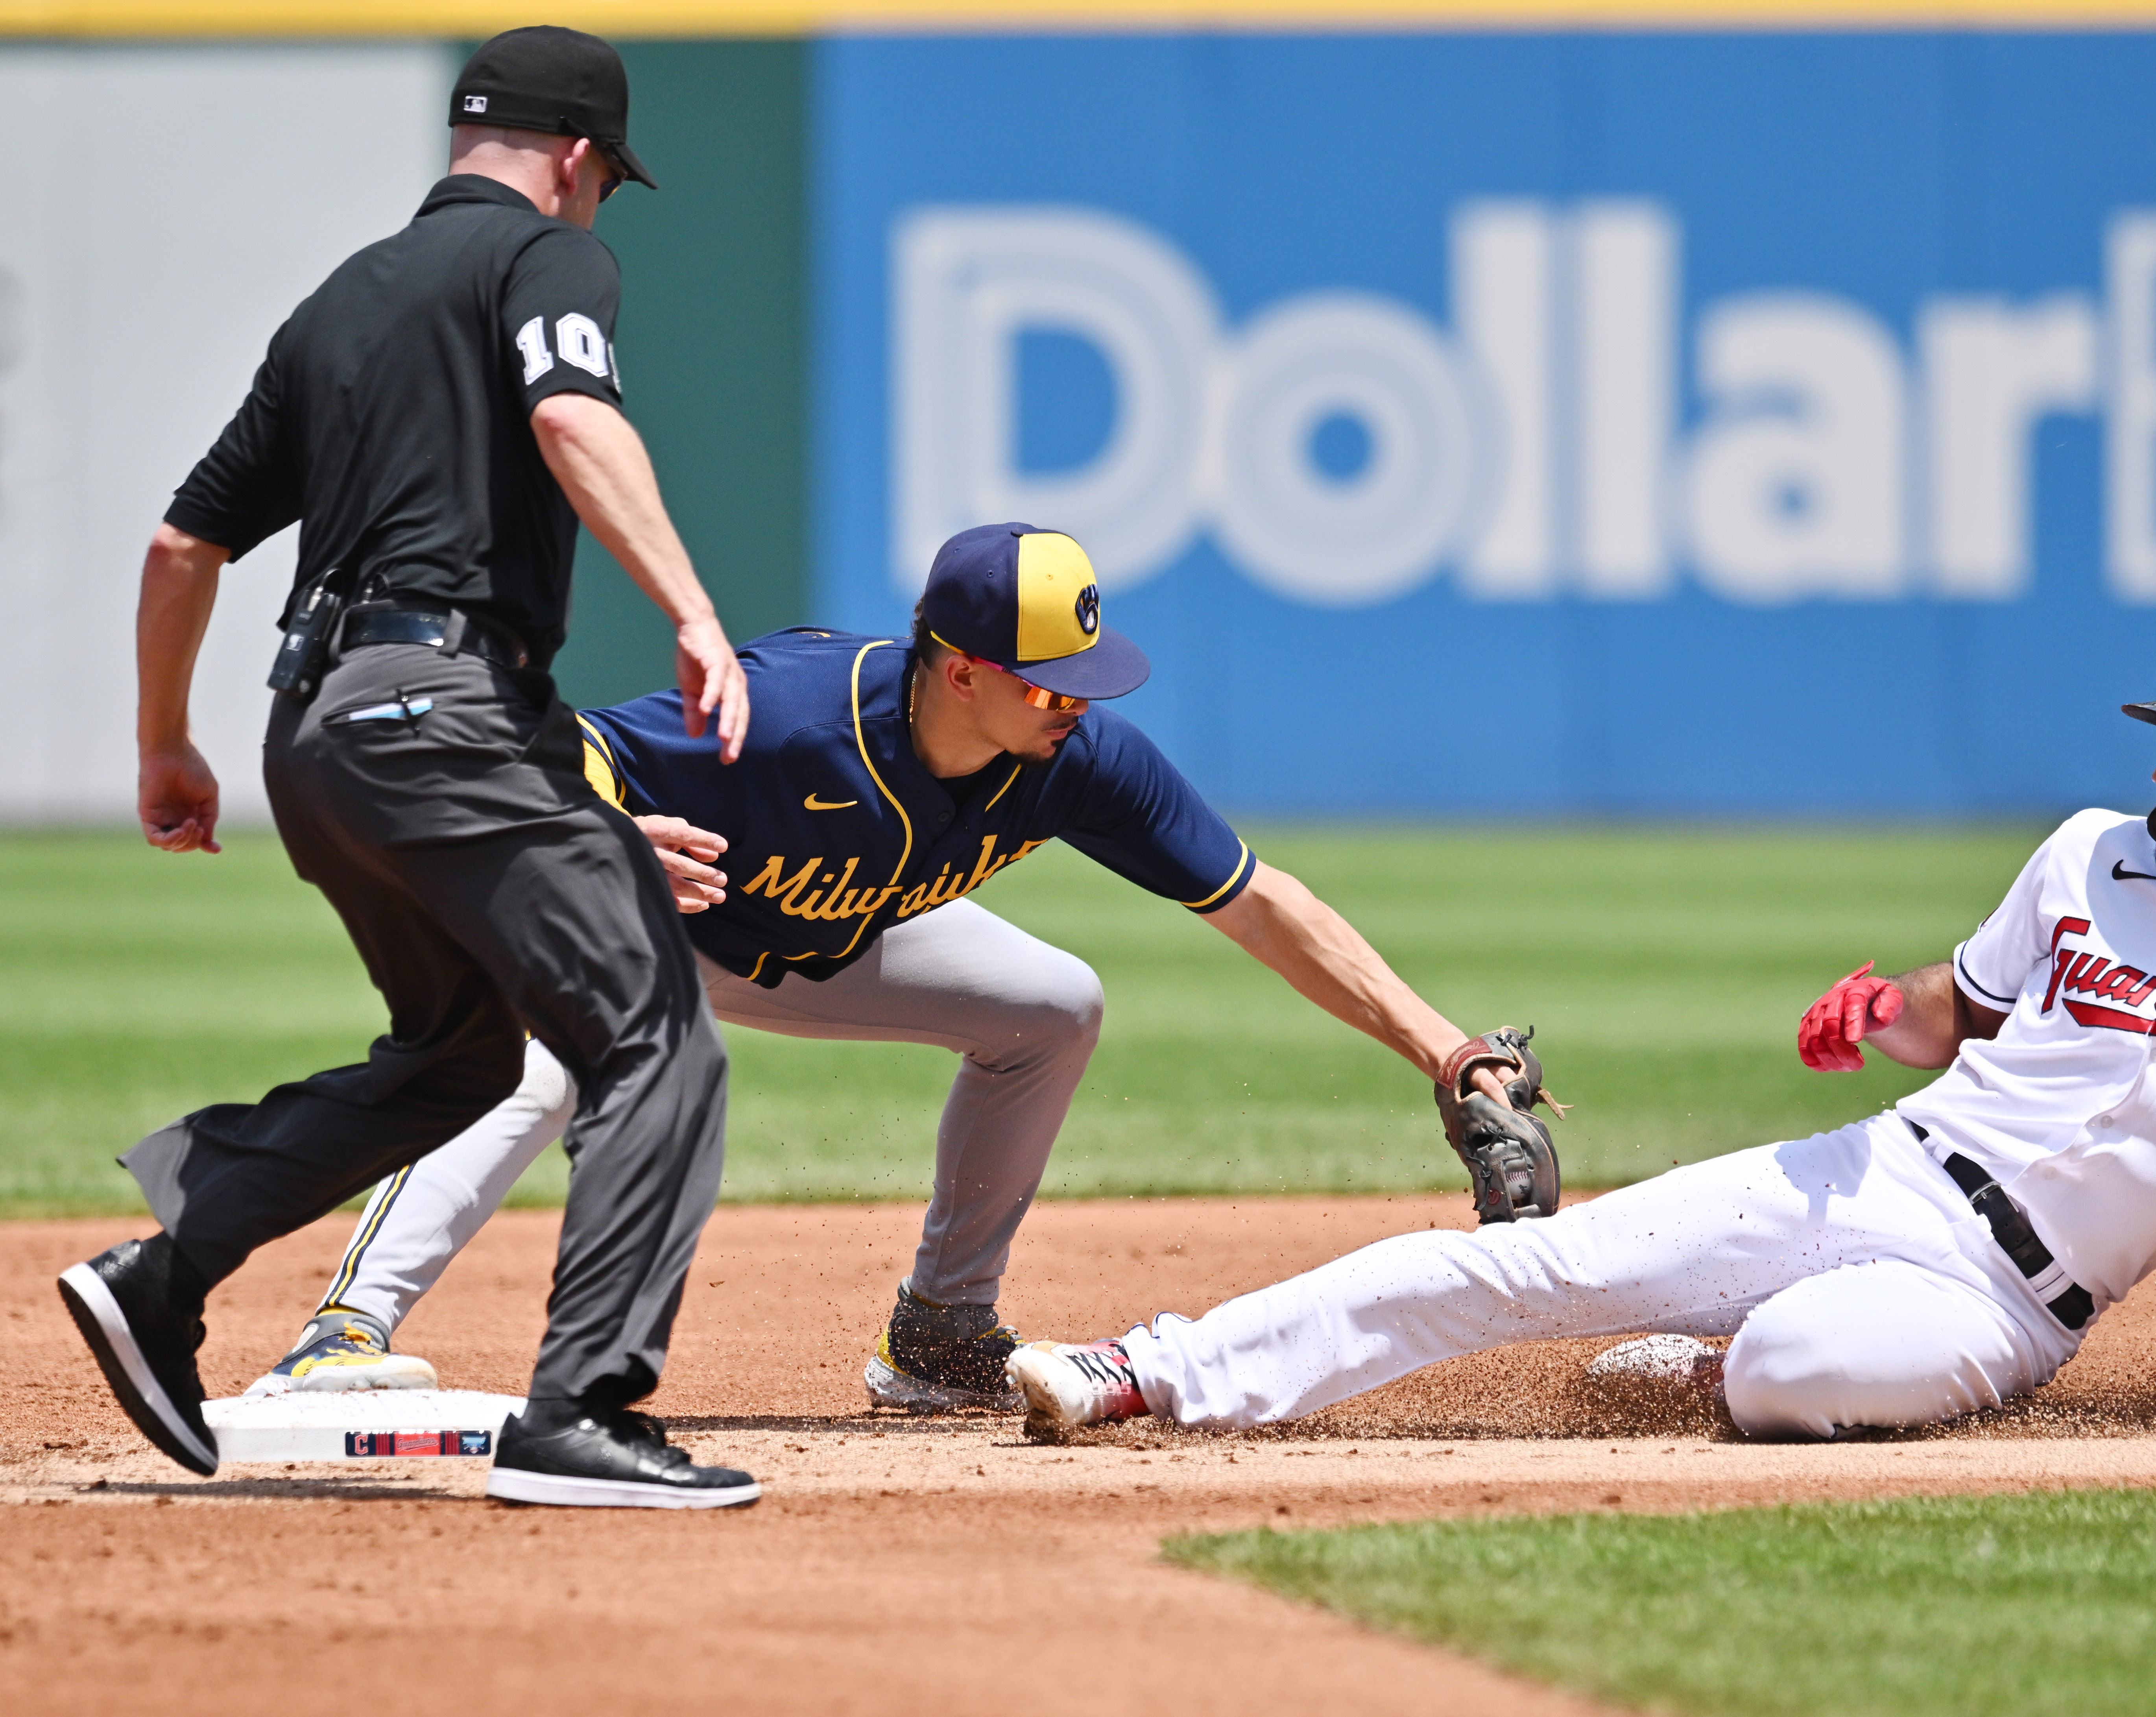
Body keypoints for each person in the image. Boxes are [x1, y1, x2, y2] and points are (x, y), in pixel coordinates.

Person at [1004, 639, 2156, 1440]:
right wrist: (1878, 1015)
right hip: (1871, 1169)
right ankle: (1150, 1367)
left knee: (1784, 1374)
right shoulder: (2088, 850)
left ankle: (1715, 1356)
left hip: (2006, 1301)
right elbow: (1951, 1013)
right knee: (1523, 1266)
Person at [247, 521, 1549, 1414]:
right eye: (1048, 683)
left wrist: (1444, 1046)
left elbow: (1265, 905)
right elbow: (563, 743)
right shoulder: (794, 714)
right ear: (965, 667)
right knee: (545, 1052)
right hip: (657, 930)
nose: (1076, 703)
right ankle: (339, 1336)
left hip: (821, 941)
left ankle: (937, 1331)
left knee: (1051, 1005)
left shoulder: (1073, 762)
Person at [55, 28, 764, 1509]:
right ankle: (584, 1412)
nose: (598, 208)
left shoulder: (339, 304)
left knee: (461, 1054)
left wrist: (162, 742)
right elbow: (573, 416)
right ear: (578, 160)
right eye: (604, 183)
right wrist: (696, 607)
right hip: (448, 708)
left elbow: (184, 544)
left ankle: (163, 1274)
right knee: (652, 1031)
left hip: (316, 731)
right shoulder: (546, 260)